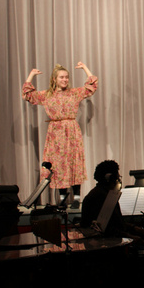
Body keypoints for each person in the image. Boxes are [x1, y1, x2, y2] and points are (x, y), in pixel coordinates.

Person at [22, 62, 98, 208]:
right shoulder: (47, 95)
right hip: (56, 133)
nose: (64, 80)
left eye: (67, 77)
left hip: (71, 131)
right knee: (58, 165)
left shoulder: (74, 93)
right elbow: (28, 95)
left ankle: (76, 198)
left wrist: (84, 68)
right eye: (62, 77)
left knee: (73, 162)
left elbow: (92, 86)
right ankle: (63, 198)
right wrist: (31, 74)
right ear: (55, 79)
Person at [80, 160, 144, 240]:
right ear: (110, 178)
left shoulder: (104, 193)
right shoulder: (100, 197)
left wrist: (133, 227)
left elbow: (116, 223)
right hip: (105, 247)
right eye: (117, 177)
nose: (118, 180)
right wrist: (131, 237)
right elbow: (106, 230)